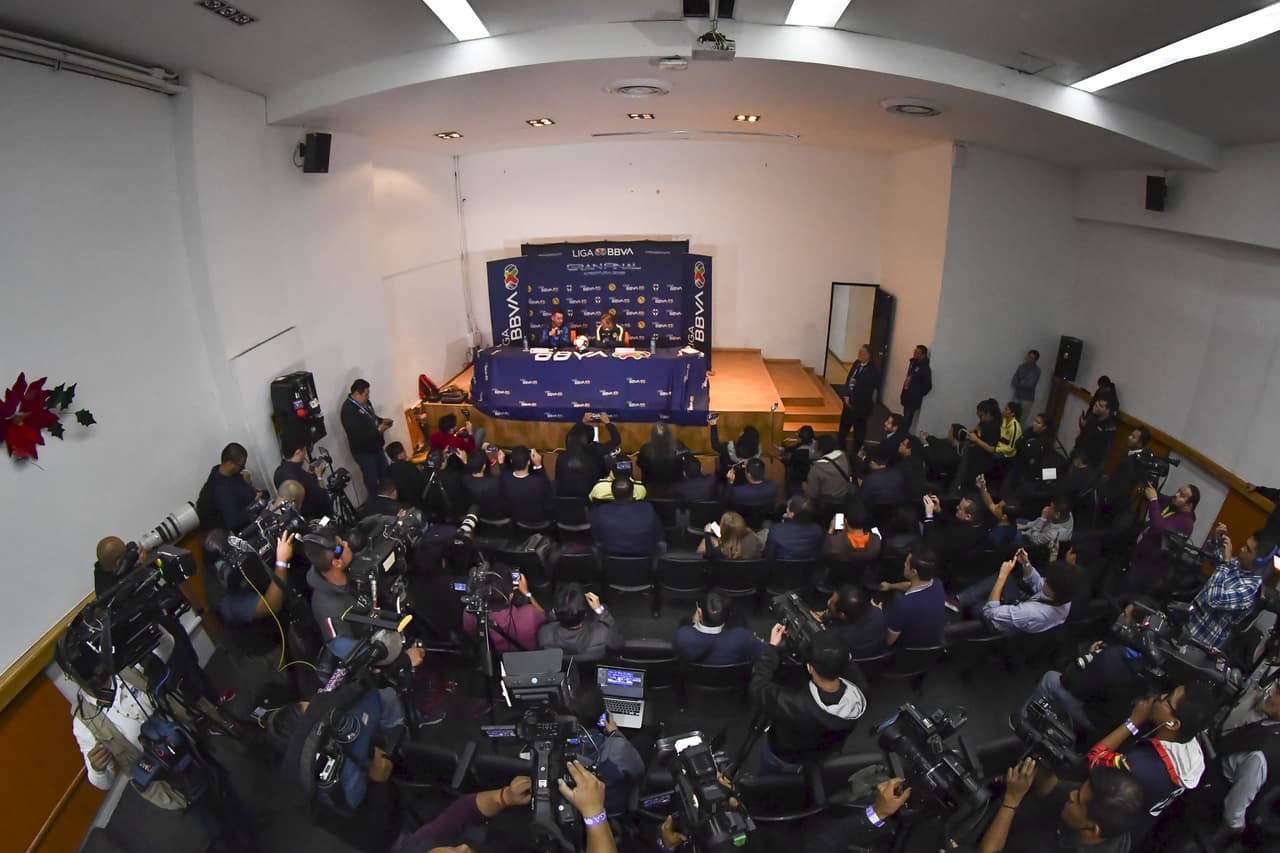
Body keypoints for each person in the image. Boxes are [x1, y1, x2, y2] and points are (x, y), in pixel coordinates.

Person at [304, 530, 438, 728]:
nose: (348, 544)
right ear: (336, 563)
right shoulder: (328, 607)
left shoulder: (353, 572)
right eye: (344, 544)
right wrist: (402, 660)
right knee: (388, 697)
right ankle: (400, 728)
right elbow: (349, 652)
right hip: (366, 663)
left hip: (378, 629)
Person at [1085, 685, 1214, 841]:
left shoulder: (1141, 766)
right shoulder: (1190, 754)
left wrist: (1133, 722)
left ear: (1173, 724)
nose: (1161, 696)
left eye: (1167, 699)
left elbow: (1093, 761)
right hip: (1133, 832)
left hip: (1102, 830)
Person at [400, 765, 619, 853]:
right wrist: (594, 814)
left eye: (452, 849)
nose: (464, 847)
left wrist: (504, 796)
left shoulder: (418, 846)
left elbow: (463, 809)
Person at [749, 627, 867, 772]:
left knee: (768, 780)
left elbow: (758, 686)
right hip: (825, 753)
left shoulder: (793, 703)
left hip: (785, 756)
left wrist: (772, 648)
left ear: (810, 668)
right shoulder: (860, 691)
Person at [979, 758, 1144, 853]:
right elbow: (1052, 789)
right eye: (1078, 790)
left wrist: (1011, 800)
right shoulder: (1106, 814)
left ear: (1093, 829)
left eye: (1077, 800)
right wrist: (1042, 759)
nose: (1072, 795)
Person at [1187, 525, 1275, 651]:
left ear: (1259, 562)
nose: (1242, 549)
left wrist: (1225, 563)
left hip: (1199, 642)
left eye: (1248, 550)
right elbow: (1211, 557)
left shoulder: (1250, 590)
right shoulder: (1237, 564)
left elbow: (1215, 599)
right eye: (1245, 545)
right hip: (1188, 623)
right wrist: (1216, 539)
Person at [1213, 683, 1280, 843]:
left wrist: (1236, 827)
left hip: (1208, 804)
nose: (1270, 692)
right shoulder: (1270, 725)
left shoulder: (1259, 755)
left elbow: (1233, 813)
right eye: (1276, 687)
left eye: (1278, 692)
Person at [569, 685, 647, 818]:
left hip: (575, 814)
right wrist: (616, 734)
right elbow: (639, 772)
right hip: (611, 815)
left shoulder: (558, 750)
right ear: (603, 715)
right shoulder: (619, 748)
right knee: (645, 739)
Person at [1121, 482, 1199, 592]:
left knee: (1123, 594)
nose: (1176, 495)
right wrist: (1151, 486)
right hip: (1137, 559)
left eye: (1182, 495)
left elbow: (1159, 527)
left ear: (1189, 505)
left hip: (1147, 570)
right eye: (1178, 491)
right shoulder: (1174, 505)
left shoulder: (1185, 523)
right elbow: (1160, 497)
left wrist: (1153, 500)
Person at [973, 553, 1079, 634]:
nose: (1044, 579)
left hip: (1004, 625)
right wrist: (1025, 563)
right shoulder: (1064, 598)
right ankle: (959, 599)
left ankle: (960, 604)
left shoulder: (1029, 612)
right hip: (1021, 610)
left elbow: (989, 612)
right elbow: (1038, 583)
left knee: (978, 603)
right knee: (1008, 580)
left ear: (1054, 591)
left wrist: (1003, 575)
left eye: (1047, 581)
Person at [462, 571, 546, 653]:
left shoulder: (470, 614)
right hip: (528, 661)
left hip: (494, 663)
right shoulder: (530, 613)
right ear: (510, 596)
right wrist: (527, 593)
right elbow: (545, 616)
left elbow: (472, 635)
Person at [536, 584, 624, 662]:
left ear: (556, 613)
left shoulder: (545, 633)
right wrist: (600, 611)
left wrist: (551, 617)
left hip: (567, 670)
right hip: (591, 670)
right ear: (586, 613)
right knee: (604, 606)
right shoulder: (602, 632)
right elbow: (618, 644)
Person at [880, 546, 946, 648]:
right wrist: (890, 586)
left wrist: (878, 615)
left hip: (910, 649)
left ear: (914, 572)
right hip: (936, 641)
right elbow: (911, 585)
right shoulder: (938, 583)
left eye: (906, 563)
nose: (904, 565)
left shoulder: (902, 604)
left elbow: (889, 641)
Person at [673, 591, 763, 665]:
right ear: (728, 615)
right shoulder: (742, 636)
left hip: (695, 681)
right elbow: (766, 655)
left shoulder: (682, 635)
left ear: (700, 613)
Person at [341, 379, 394, 500]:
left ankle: (390, 498)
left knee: (386, 475)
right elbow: (358, 436)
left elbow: (371, 417)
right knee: (372, 479)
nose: (368, 397)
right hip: (365, 453)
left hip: (377, 448)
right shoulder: (348, 411)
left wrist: (381, 420)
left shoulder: (366, 403)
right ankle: (377, 503)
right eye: (366, 394)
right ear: (356, 394)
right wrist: (379, 430)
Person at [196, 442, 260, 532]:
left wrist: (251, 488)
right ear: (230, 464)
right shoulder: (219, 490)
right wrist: (255, 505)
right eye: (241, 465)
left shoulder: (234, 475)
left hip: (255, 518)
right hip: (244, 530)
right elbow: (234, 521)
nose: (243, 468)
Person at [921, 493, 986, 580]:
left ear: (968, 516)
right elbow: (955, 522)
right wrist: (939, 510)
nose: (957, 507)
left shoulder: (960, 535)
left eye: (960, 508)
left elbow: (932, 545)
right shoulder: (977, 524)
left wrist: (929, 516)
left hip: (943, 565)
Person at [557, 414, 619, 498]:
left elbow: (572, 435)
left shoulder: (561, 455)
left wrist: (582, 421)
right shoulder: (594, 449)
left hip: (564, 496)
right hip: (589, 494)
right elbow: (616, 440)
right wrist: (608, 423)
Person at [817, 584, 888, 656]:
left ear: (842, 615)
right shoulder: (878, 612)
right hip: (876, 652)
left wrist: (820, 623)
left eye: (831, 603)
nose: (829, 601)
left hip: (855, 658)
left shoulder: (838, 635)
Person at [950, 398, 1003, 493]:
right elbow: (977, 430)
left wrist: (977, 440)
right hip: (972, 454)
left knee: (965, 482)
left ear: (988, 414)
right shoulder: (984, 422)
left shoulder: (994, 428)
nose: (980, 418)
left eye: (981, 416)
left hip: (981, 462)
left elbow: (992, 449)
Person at [1099, 427, 1151, 520]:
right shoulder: (1141, 457)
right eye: (1131, 435)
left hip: (1113, 504)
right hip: (1121, 503)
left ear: (1140, 443)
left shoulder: (1130, 462)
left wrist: (1105, 500)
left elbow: (1120, 487)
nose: (1129, 437)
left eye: (1133, 437)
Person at [273, 436, 329, 519]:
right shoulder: (303, 479)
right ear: (298, 452)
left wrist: (309, 473)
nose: (305, 453)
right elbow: (324, 498)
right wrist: (319, 477)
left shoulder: (278, 473)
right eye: (304, 450)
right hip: (316, 520)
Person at [838, 344, 879, 457]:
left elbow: (866, 391)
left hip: (860, 406)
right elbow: (849, 379)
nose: (859, 354)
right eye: (859, 352)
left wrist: (852, 399)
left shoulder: (872, 371)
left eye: (862, 353)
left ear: (868, 355)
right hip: (848, 403)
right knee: (843, 428)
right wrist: (846, 395)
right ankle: (841, 449)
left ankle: (855, 454)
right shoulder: (857, 364)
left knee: (859, 432)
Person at [763, 495, 825, 562]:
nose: (786, 509)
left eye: (788, 508)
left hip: (781, 570)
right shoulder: (818, 530)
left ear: (791, 514)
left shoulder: (776, 530)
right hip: (808, 571)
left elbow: (768, 557)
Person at [501, 445, 551, 527]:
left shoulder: (504, 478)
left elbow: (504, 474)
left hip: (516, 521)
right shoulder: (538, 482)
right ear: (529, 462)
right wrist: (538, 465)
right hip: (537, 521)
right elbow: (548, 490)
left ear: (511, 461)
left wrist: (501, 463)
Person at [636, 422, 689, 498]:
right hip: (676, 488)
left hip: (651, 490)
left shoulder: (645, 449)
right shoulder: (679, 446)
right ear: (669, 433)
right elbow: (688, 459)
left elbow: (639, 464)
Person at [803, 434, 853, 506]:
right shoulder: (843, 456)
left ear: (820, 449)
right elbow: (849, 473)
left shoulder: (816, 468)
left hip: (826, 505)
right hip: (844, 499)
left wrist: (804, 485)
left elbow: (812, 494)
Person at [697, 510, 763, 560]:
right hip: (748, 574)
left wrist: (707, 534)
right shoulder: (754, 539)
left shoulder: (720, 552)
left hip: (723, 575)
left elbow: (708, 554)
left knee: (703, 546)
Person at [1073, 395, 1118, 468]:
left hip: (1091, 461)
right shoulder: (1093, 416)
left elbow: (1098, 445)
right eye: (1096, 404)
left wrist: (1084, 462)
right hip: (1080, 451)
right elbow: (1085, 434)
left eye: (1100, 406)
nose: (1096, 407)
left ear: (1107, 410)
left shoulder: (1109, 427)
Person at [384, 441, 428, 510]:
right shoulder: (410, 466)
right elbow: (421, 483)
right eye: (404, 451)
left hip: (399, 505)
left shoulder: (388, 470)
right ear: (400, 455)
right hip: (416, 503)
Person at [463, 448, 505, 519]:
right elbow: (504, 479)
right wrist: (501, 463)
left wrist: (465, 461)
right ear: (484, 466)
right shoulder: (494, 482)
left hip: (479, 514)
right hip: (495, 515)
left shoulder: (464, 478)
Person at [899, 345, 932, 431]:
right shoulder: (913, 363)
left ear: (923, 355)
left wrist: (917, 393)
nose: (914, 354)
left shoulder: (925, 368)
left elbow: (928, 385)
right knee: (905, 416)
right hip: (907, 394)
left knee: (907, 418)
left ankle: (902, 435)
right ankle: (901, 434)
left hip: (913, 398)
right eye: (914, 351)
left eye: (917, 353)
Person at [1011, 349, 1041, 423]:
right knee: (1011, 416)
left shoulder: (1036, 370)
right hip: (1017, 395)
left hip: (1027, 399)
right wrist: (1022, 381)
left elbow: (1029, 385)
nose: (1029, 359)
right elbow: (1014, 381)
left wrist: (1020, 381)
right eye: (1029, 356)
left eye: (1032, 358)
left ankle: (1020, 434)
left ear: (1035, 360)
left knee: (1022, 419)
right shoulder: (1022, 366)